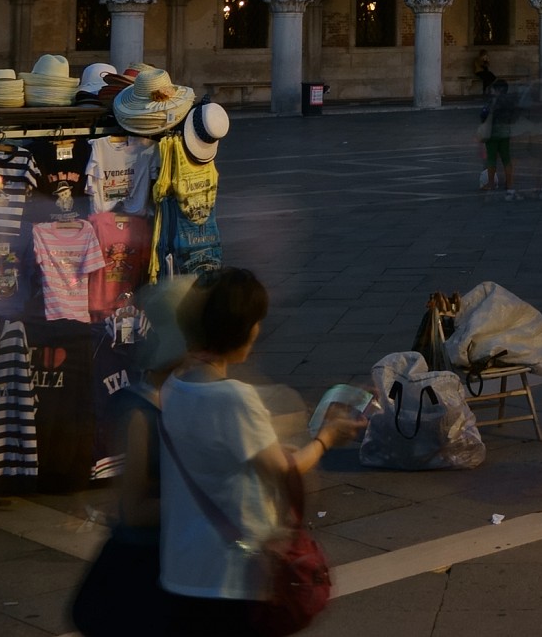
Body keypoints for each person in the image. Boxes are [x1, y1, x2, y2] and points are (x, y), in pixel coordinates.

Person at [156, 270, 363, 636]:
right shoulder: (234, 397)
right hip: (230, 575)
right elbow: (288, 469)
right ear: (243, 329)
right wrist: (327, 438)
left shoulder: (175, 385)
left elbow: (211, 451)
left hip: (181, 568)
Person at [72, 277, 195, 637]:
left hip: (176, 559)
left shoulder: (188, 398)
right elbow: (134, 509)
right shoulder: (138, 410)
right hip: (143, 570)